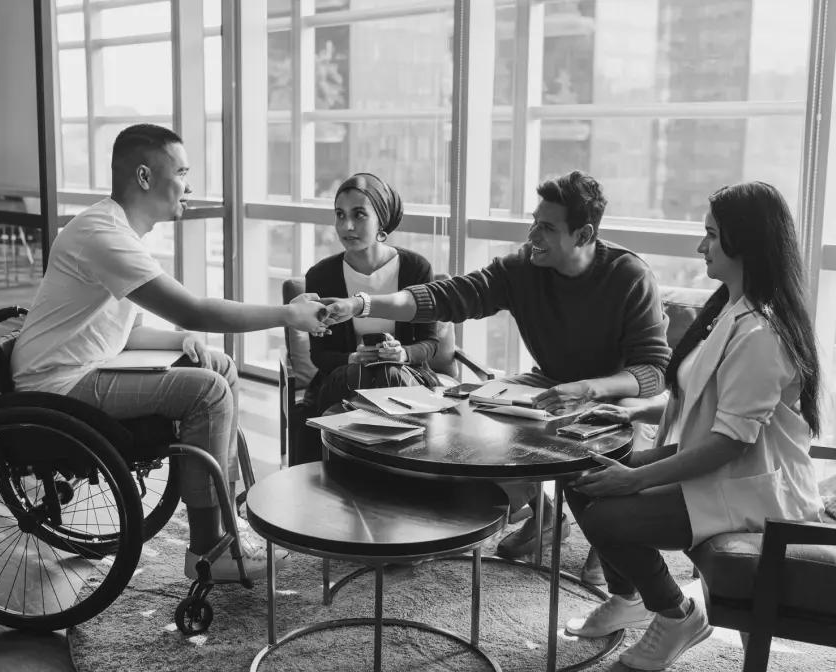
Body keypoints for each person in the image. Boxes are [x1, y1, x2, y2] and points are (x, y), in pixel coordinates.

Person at [11, 123, 328, 581]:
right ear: (144, 176)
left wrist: (181, 342)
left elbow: (124, 333)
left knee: (220, 366)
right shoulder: (103, 234)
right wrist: (288, 314)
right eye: (181, 172)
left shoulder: (117, 230)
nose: (189, 186)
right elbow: (193, 310)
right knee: (207, 393)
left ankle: (228, 517)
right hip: (56, 384)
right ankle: (207, 550)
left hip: (79, 367)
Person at [318, 170, 672, 563]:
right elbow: (447, 297)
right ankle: (545, 515)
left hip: (617, 393)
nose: (532, 236)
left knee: (610, 466)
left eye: (547, 228)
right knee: (467, 411)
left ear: (583, 235)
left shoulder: (629, 275)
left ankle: (608, 547)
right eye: (534, 222)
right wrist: (362, 304)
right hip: (549, 381)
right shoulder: (523, 268)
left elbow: (654, 371)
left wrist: (590, 389)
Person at [563, 181, 824, 670]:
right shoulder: (730, 310)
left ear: (744, 241)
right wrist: (633, 413)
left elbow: (729, 443)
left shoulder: (762, 333)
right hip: (722, 465)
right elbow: (705, 401)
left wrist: (635, 478)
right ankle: (629, 599)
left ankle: (676, 615)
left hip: (752, 487)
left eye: (711, 235)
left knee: (604, 516)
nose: (701, 246)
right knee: (579, 475)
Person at [296, 173, 440, 460]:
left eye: (359, 214)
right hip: (344, 379)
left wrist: (402, 354)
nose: (346, 226)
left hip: (407, 376)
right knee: (364, 374)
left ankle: (357, 471)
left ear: (381, 221)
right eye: (340, 215)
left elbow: (431, 343)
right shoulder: (321, 275)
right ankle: (398, 468)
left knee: (390, 373)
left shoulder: (416, 269)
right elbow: (320, 355)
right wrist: (353, 358)